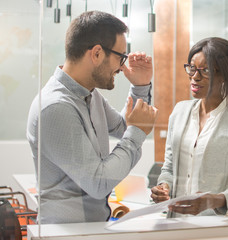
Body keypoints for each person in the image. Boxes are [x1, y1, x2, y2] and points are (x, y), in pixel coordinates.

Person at [26, 11, 158, 224]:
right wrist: (137, 132)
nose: (122, 67)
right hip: (67, 234)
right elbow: (98, 184)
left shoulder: (90, 95)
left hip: (92, 228)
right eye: (120, 57)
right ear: (97, 53)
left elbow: (126, 128)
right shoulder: (56, 107)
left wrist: (140, 86)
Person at [150, 37, 228, 217]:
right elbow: (169, 169)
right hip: (178, 221)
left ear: (225, 74)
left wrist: (212, 200)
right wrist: (164, 187)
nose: (195, 77)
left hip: (221, 224)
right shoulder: (180, 111)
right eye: (192, 68)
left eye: (206, 70)